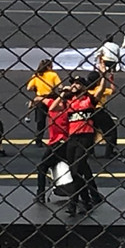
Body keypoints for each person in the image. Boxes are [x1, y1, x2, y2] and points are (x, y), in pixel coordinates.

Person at [51, 72, 107, 216]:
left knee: (76, 171)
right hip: (73, 138)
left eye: (77, 84)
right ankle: (86, 201)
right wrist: (63, 95)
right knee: (76, 173)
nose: (73, 86)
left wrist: (103, 75)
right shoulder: (69, 102)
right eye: (72, 83)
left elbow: (100, 90)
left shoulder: (89, 100)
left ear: (83, 87)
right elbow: (53, 108)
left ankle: (73, 204)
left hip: (85, 138)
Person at [26, 59, 62, 143]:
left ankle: (38, 139)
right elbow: (60, 86)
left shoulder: (36, 75)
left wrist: (36, 88)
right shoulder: (53, 74)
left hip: (40, 98)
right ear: (48, 67)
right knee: (55, 119)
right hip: (51, 97)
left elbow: (29, 88)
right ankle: (56, 138)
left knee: (40, 120)